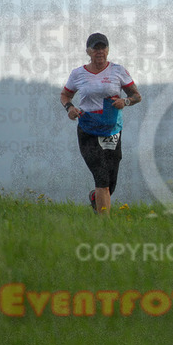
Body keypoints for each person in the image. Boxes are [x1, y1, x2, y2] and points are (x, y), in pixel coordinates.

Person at [60, 33, 142, 214]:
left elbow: (136, 96)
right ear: (88, 51)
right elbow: (65, 95)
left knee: (110, 182)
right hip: (88, 130)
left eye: (103, 47)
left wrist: (125, 101)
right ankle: (104, 223)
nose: (99, 51)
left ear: (108, 50)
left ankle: (95, 199)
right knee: (101, 178)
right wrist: (70, 108)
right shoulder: (78, 73)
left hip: (112, 130)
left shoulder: (118, 71)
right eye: (95, 48)